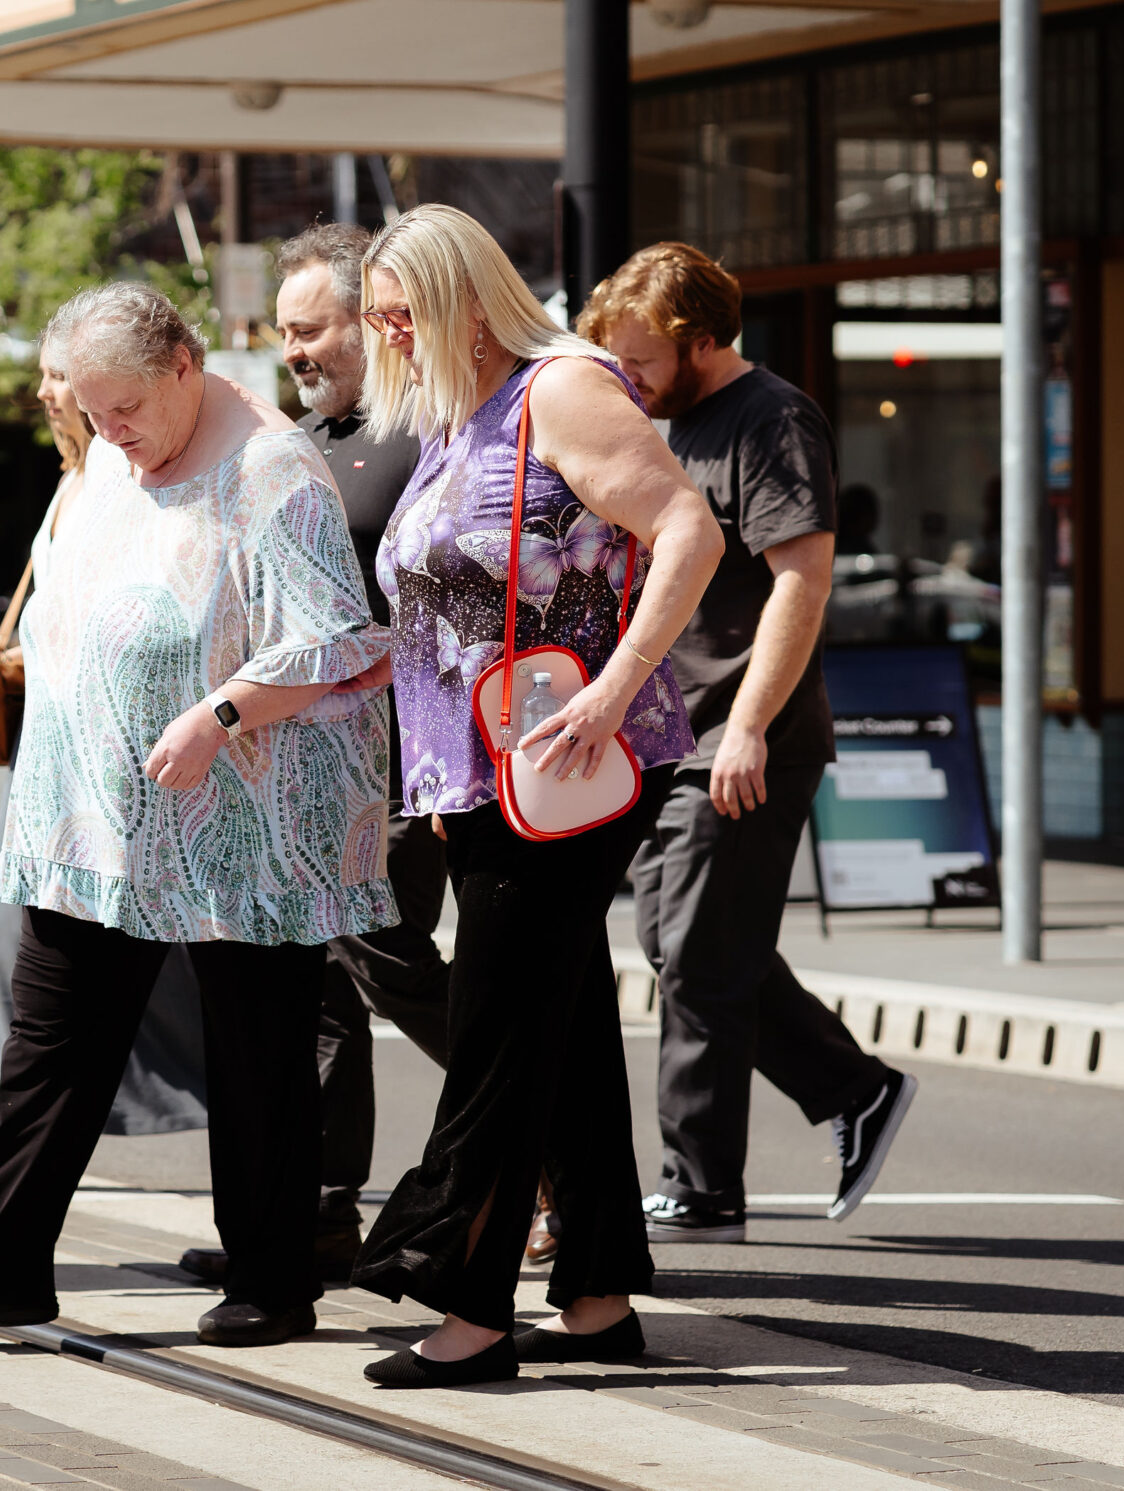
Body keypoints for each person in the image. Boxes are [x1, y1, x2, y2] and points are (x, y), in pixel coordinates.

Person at [0, 282, 393, 1351]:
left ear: (184, 368)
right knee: (51, 1048)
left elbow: (340, 639)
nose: (111, 435)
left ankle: (270, 1279)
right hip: (93, 823)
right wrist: (19, 666)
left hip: (246, 820)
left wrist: (220, 711)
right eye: (93, 413)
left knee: (259, 1052)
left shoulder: (272, 469)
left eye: (126, 411)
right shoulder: (109, 458)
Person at [350, 206, 722, 1389]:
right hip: (481, 771)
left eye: (402, 313)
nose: (391, 337)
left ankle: (463, 1306)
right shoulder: (463, 416)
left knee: (500, 1033)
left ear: (465, 297)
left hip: (568, 761)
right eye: (379, 319)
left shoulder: (560, 388)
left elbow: (686, 529)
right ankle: (599, 1296)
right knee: (548, 1029)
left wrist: (616, 690)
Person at [580, 242, 917, 1246]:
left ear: (701, 341)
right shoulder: (659, 420)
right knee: (687, 945)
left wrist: (752, 728)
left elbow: (800, 582)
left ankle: (700, 1184)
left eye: (640, 360)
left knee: (692, 951)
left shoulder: (769, 420)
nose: (627, 381)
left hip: (740, 733)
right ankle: (852, 1087)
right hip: (665, 728)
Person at [176, 222, 451, 1291]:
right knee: (324, 993)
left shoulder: (425, 433)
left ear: (373, 316)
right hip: (293, 764)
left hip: (399, 761)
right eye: (282, 332)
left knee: (383, 961)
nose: (292, 349)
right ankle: (321, 1210)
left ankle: (539, 1122)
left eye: (311, 328)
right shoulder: (301, 440)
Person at [0, 328, 209, 1197]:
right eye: (50, 376)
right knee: (17, 946)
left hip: (125, 762)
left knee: (152, 971)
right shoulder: (75, 485)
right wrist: (7, 664)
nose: (50, 393)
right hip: (49, 756)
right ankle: (11, 1146)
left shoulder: (128, 480)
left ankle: (270, 1122)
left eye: (63, 377)